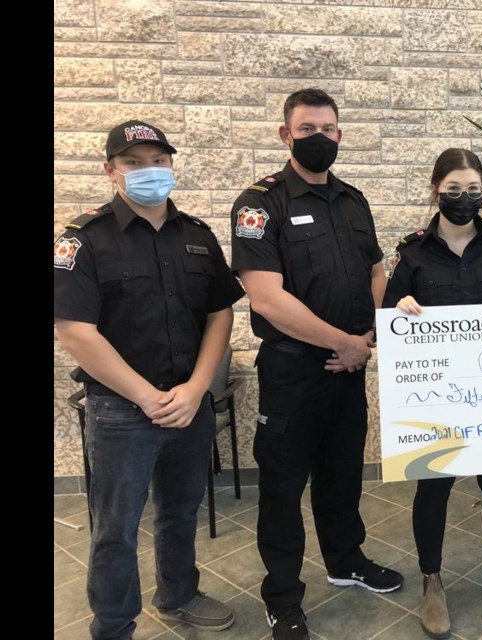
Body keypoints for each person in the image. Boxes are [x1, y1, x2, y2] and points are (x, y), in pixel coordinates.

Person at [54, 120, 243, 640]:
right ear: (110, 171)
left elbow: (219, 316)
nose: (148, 172)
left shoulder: (198, 237)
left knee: (180, 511)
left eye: (157, 161)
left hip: (190, 403)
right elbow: (75, 331)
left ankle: (179, 593)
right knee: (114, 530)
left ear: (171, 165)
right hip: (121, 412)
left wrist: (198, 388)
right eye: (133, 163)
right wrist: (149, 397)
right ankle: (113, 626)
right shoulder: (83, 241)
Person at [230, 88, 403, 640]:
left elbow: (378, 272)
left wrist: (367, 335)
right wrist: (342, 343)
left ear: (340, 134)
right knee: (282, 488)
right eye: (307, 129)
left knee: (343, 475)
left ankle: (345, 560)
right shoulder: (261, 204)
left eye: (328, 128)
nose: (319, 137)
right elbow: (266, 298)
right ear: (285, 135)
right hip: (292, 371)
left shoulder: (354, 200)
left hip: (347, 370)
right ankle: (282, 596)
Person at [382, 148, 482, 639]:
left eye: (473, 189)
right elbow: (387, 320)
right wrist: (399, 306)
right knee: (434, 488)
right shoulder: (412, 252)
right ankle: (432, 580)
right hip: (437, 400)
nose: (464, 198)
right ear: (434, 191)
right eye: (453, 189)